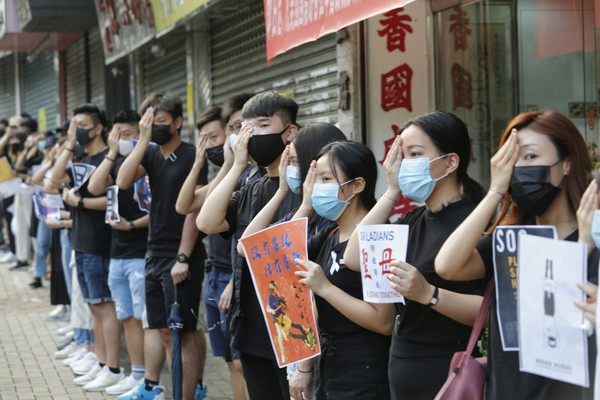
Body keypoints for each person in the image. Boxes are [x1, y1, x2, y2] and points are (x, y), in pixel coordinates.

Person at [435, 110, 597, 399]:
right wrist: (496, 189)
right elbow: (447, 266)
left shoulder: (593, 239)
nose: (518, 169)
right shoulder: (508, 240)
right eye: (512, 159)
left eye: (531, 157)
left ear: (567, 164)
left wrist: (584, 244)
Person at [342, 111, 486, 399]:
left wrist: (429, 294)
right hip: (402, 362)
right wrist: (392, 190)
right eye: (402, 156)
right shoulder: (414, 218)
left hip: (448, 367)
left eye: (415, 154)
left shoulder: (472, 224)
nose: (405, 165)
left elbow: (488, 310)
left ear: (451, 161)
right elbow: (355, 258)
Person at [197, 91, 299, 400]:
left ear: (290, 132)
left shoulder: (307, 187)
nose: (251, 134)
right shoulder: (250, 191)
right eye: (245, 127)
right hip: (253, 326)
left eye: (263, 124)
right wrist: (237, 165)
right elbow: (207, 222)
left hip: (295, 329)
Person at [116, 93, 208, 400]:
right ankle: (181, 392)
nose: (155, 126)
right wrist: (143, 139)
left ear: (178, 122)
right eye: (150, 121)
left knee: (183, 331)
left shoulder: (192, 155)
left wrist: (183, 255)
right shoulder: (153, 154)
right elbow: (124, 179)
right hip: (153, 252)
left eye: (161, 121)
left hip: (180, 255)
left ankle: (188, 394)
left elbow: (194, 208)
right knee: (166, 332)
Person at [287, 141, 394, 400]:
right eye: (316, 180)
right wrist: (305, 205)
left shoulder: (377, 237)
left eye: (326, 179)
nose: (318, 188)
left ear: (357, 185)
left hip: (364, 372)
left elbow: (384, 322)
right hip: (331, 367)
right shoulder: (330, 233)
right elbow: (285, 255)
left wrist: (326, 288)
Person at [176, 105, 251, 400]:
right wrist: (200, 162)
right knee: (231, 361)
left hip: (235, 276)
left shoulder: (250, 180)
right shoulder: (226, 177)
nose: (214, 144)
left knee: (243, 362)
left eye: (218, 135)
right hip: (216, 272)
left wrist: (236, 279)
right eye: (204, 138)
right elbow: (185, 206)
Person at [46, 104, 121, 389]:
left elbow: (114, 197)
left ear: (99, 127)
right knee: (93, 306)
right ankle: (101, 362)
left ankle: (112, 367)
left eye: (82, 124)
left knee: (105, 306)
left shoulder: (110, 157)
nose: (76, 129)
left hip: (100, 241)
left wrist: (82, 203)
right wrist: (67, 146)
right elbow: (53, 183)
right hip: (80, 240)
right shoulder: (79, 155)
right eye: (73, 124)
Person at [87, 109, 149, 395]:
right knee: (126, 315)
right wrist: (113, 151)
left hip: (140, 250)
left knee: (141, 317)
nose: (123, 139)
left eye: (127, 134)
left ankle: (148, 378)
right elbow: (95, 186)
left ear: (140, 133)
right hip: (117, 252)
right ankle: (136, 373)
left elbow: (157, 207)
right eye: (118, 134)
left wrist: (133, 226)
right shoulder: (116, 162)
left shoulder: (148, 160)